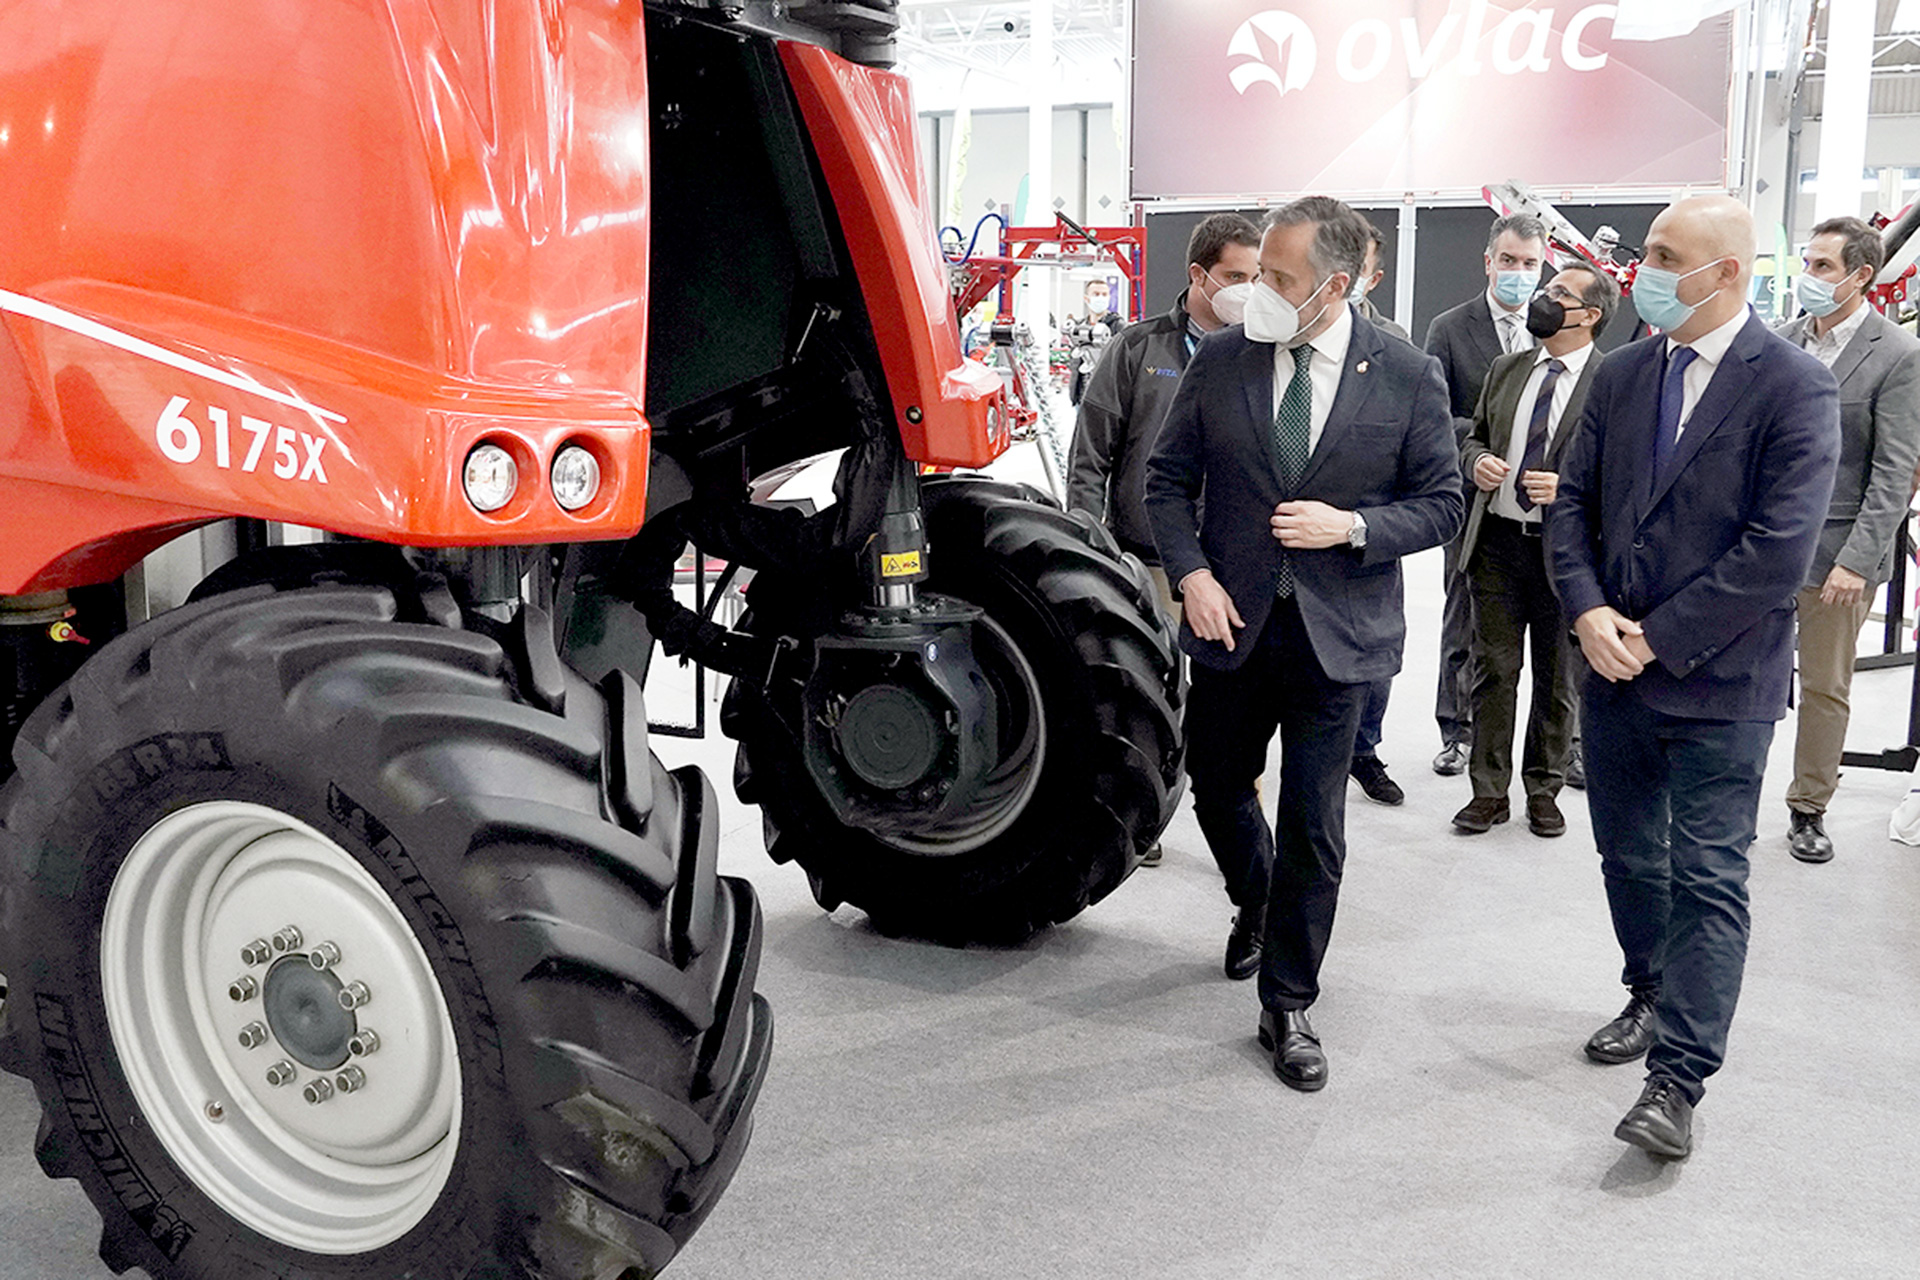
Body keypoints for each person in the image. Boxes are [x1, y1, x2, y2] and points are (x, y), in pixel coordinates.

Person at [1145, 196, 1461, 1092]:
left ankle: (1288, 1001)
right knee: (1212, 783)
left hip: (1339, 635)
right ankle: (1258, 897)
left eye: (1279, 279)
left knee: (1315, 823)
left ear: (1335, 284)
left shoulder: (1404, 372)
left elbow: (1442, 502)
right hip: (1230, 621)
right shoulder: (1225, 361)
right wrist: (1192, 575)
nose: (1261, 294)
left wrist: (1353, 527)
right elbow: (1167, 484)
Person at [1547, 195, 1839, 1158]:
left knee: (1709, 873)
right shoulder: (1626, 373)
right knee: (1628, 857)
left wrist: (1658, 638)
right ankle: (1649, 991)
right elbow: (1571, 504)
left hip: (1722, 678)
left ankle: (1677, 1080)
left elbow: (1777, 549)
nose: (1647, 271)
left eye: (1668, 256)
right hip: (1610, 665)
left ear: (1727, 274)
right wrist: (1590, 612)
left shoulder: (1793, 385)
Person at [1454, 264, 1618, 837]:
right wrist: (1476, 461)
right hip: (1497, 542)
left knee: (1556, 678)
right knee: (1493, 671)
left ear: (1589, 315)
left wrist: (1569, 488)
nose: (1543, 299)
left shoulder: (1612, 379)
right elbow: (1473, 433)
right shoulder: (1507, 369)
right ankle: (1488, 792)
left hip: (1566, 553)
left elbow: (1623, 473)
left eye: (1558, 294)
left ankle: (1543, 790)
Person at [1776, 218, 1920, 864]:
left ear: (1862, 276)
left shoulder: (1896, 354)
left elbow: (1894, 471)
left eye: (1824, 267)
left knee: (1824, 687)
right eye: (1807, 263)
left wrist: (1857, 562)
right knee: (1742, 676)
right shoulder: (1780, 342)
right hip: (1764, 545)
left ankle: (1809, 805)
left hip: (1837, 554)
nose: (1810, 277)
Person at [1070, 214, 1261, 621]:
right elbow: (1089, 459)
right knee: (1157, 678)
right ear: (1198, 274)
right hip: (1148, 560)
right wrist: (1089, 551)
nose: (1248, 291)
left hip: (1234, 564)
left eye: (1257, 279)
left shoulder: (1262, 355)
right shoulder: (1138, 348)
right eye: (1235, 276)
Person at [1423, 215, 1548, 779]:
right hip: (1474, 494)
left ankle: (1540, 743)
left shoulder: (1554, 325)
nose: (1519, 273)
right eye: (1510, 261)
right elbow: (1434, 412)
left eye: (1529, 264)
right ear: (1488, 261)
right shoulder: (1451, 328)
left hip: (1540, 502)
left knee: (1538, 623)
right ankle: (1456, 728)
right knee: (1464, 612)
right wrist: (1472, 454)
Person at [1349, 219, 1413, 806]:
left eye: (1356, 264)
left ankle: (1364, 750)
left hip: (1371, 534)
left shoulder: (1399, 351)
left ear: (1373, 276)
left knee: (1375, 663)